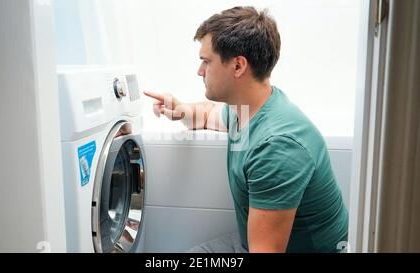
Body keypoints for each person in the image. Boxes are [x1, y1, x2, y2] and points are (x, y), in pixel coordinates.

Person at [144, 6, 348, 253]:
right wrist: (179, 110)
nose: (200, 71)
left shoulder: (278, 147)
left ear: (238, 66)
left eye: (206, 61)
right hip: (251, 242)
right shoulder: (249, 108)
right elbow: (209, 114)